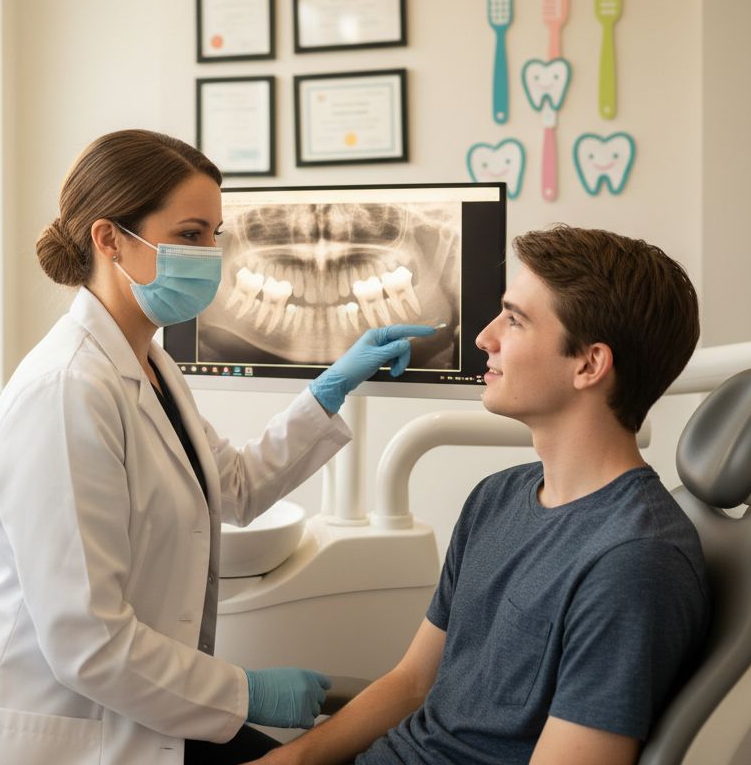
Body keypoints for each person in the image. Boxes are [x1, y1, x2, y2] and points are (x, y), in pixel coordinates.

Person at [0, 129, 435, 765]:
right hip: (55, 730)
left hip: (134, 707)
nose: (211, 254)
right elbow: (86, 643)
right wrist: (243, 693)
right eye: (189, 235)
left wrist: (327, 392)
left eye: (215, 234)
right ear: (109, 240)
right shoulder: (67, 391)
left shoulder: (147, 361)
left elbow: (232, 487)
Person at [252, 225, 710, 765]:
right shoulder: (498, 496)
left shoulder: (633, 562)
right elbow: (414, 683)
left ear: (589, 364)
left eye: (514, 320)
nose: (484, 338)